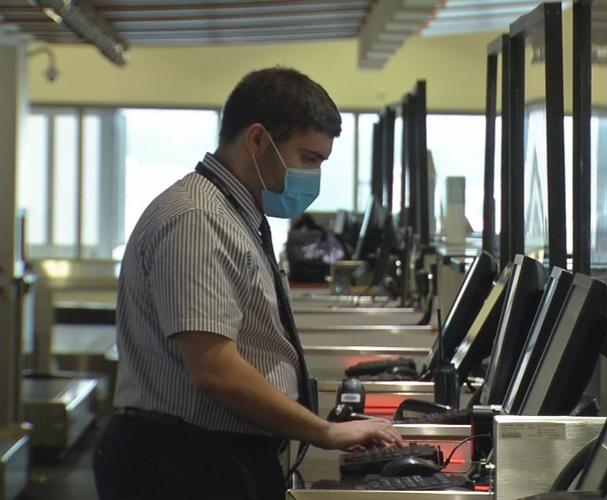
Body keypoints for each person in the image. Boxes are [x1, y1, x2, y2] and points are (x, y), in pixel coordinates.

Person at [93, 67, 403, 500]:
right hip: (180, 463)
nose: (313, 176)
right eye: (308, 159)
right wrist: (324, 432)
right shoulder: (197, 219)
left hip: (211, 456)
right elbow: (215, 371)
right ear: (258, 140)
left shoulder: (235, 214)